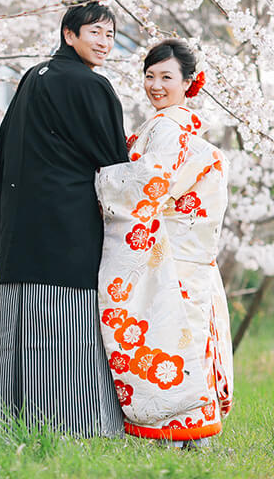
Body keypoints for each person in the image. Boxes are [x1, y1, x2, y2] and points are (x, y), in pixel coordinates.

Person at [0, 0, 130, 438]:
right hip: (68, 224)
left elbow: (5, 147)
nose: (104, 42)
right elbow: (114, 163)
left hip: (23, 225)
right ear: (69, 35)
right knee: (67, 323)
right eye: (95, 32)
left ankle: (12, 421)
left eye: (109, 33)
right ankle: (78, 424)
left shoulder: (33, 77)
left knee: (18, 326)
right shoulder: (90, 85)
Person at [95, 39, 234, 446]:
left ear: (188, 82)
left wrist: (98, 178)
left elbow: (149, 184)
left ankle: (190, 435)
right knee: (185, 337)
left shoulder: (170, 127)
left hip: (172, 255)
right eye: (150, 76)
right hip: (187, 255)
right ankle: (193, 435)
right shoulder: (172, 125)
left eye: (166, 77)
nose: (156, 85)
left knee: (173, 338)